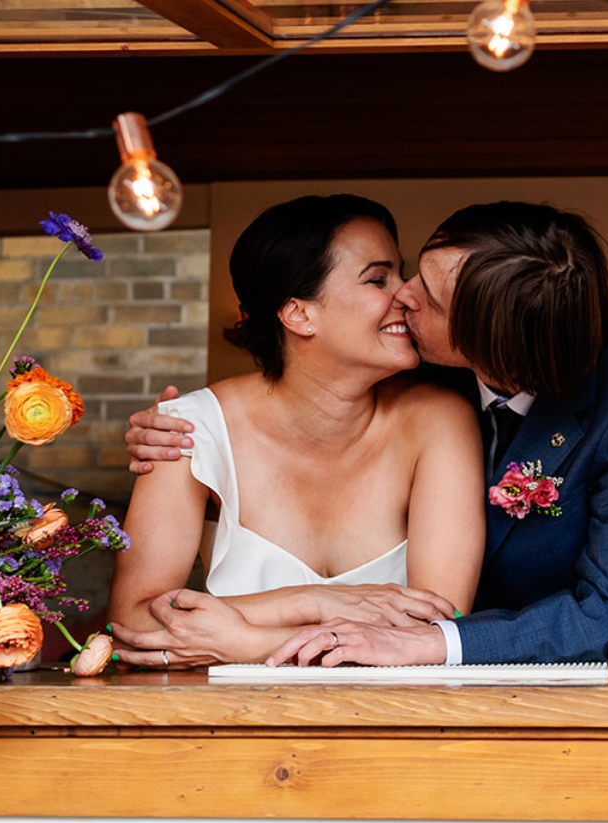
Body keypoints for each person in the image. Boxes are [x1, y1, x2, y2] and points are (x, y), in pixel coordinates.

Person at [128, 201, 608, 666]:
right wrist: (193, 436)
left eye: (426, 298)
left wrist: (427, 643)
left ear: (485, 343)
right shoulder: (407, 353)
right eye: (397, 274)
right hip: (434, 674)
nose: (402, 298)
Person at [107, 194, 484, 668]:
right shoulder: (186, 429)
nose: (407, 293)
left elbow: (440, 623)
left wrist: (244, 640)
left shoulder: (440, 419)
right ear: (298, 314)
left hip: (399, 724)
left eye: (400, 273)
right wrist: (314, 602)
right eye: (378, 279)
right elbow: (131, 626)